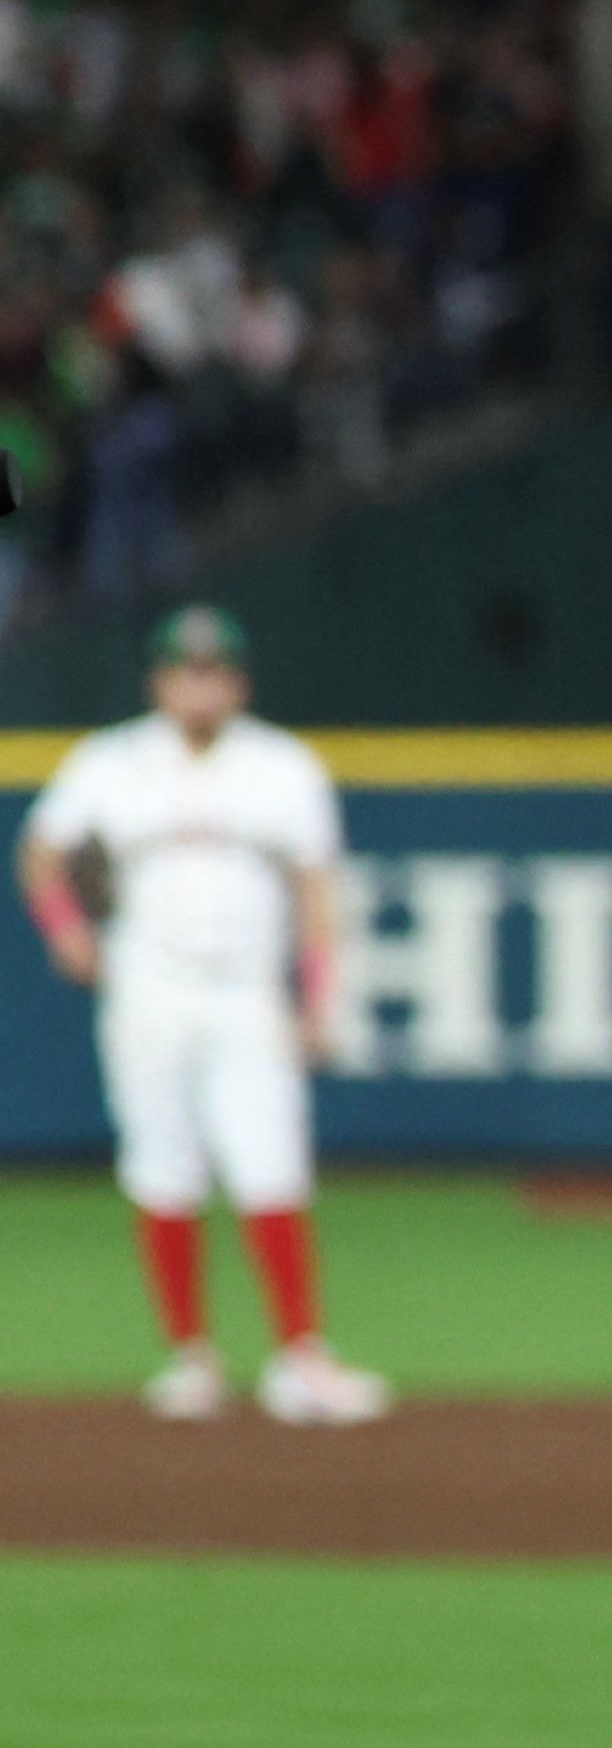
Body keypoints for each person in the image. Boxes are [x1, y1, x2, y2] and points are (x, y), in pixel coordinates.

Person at [18, 604, 392, 1425]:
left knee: (272, 1164)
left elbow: (316, 889)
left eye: (214, 670)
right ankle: (191, 1359)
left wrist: (319, 993)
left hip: (246, 989)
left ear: (239, 682)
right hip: (147, 989)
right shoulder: (111, 763)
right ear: (159, 682)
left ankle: (301, 1357)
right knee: (161, 1166)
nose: (200, 685)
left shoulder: (282, 766)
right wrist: (64, 930)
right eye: (186, 671)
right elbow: (40, 851)